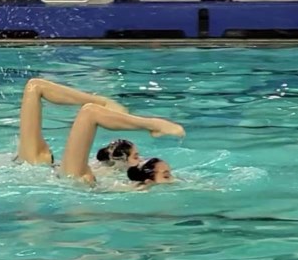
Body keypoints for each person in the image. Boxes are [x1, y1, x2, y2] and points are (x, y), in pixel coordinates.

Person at [16, 78, 184, 186]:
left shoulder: (110, 176)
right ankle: (152, 124)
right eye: (135, 156)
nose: (139, 160)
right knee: (35, 86)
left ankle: (104, 103)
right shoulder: (102, 175)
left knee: (36, 87)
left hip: (37, 166)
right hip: (62, 174)